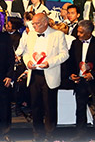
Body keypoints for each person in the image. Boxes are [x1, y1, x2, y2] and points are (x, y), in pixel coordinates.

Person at [21, 13, 68, 141]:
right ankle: (37, 134)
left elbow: (65, 54)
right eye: (33, 24)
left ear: (45, 22)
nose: (34, 26)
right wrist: (27, 62)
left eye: (37, 24)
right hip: (34, 74)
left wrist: (50, 63)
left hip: (50, 74)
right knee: (35, 106)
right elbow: (26, 53)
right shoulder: (30, 35)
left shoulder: (58, 35)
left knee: (50, 106)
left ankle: (50, 134)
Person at [65, 20, 95, 141]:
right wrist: (71, 74)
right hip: (80, 81)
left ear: (89, 32)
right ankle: (80, 133)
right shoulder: (75, 43)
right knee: (80, 108)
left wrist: (93, 75)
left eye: (81, 32)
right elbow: (71, 61)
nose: (78, 34)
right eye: (78, 32)